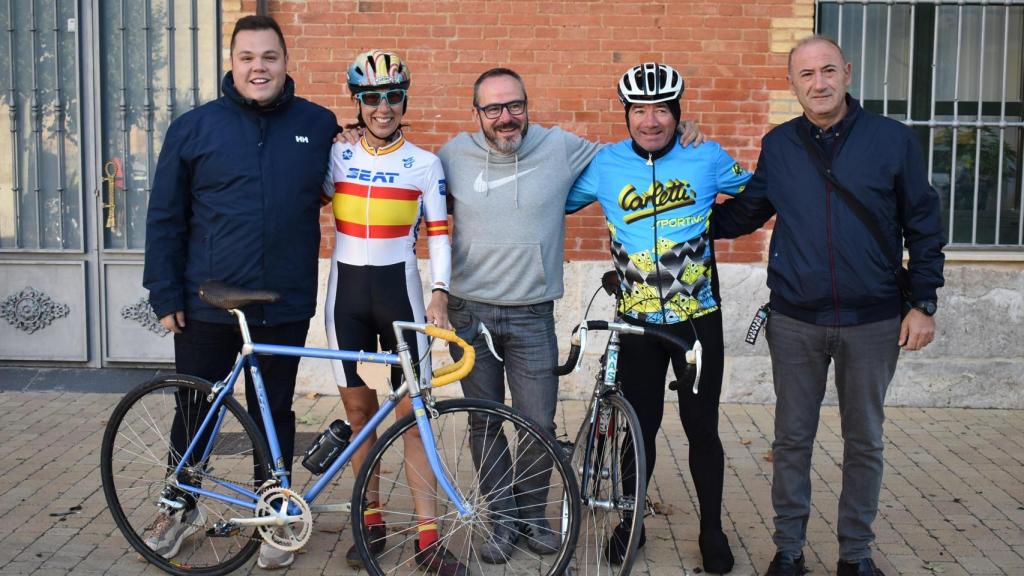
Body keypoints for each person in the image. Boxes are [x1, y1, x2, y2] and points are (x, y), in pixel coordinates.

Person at [437, 67, 703, 563]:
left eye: (514, 105)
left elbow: (632, 152)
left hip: (533, 313)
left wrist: (681, 133)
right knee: (483, 422)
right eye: (492, 108)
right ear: (476, 113)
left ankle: (534, 517)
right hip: (470, 312)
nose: (505, 117)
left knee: (536, 421)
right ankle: (500, 519)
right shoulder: (452, 155)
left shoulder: (560, 146)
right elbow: (416, 192)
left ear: (527, 104)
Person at [712, 35, 945, 576]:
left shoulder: (893, 141)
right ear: (792, 84)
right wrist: (678, 211)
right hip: (795, 321)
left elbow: (925, 226)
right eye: (806, 75)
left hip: (875, 320)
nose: (819, 83)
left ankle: (855, 555)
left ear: (847, 72)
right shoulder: (780, 145)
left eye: (827, 71)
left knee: (865, 440)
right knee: (792, 440)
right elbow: (745, 212)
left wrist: (923, 302)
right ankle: (788, 551)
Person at [142, 15, 338, 570]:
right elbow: (165, 216)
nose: (259, 67)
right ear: (233, 63)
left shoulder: (318, 125)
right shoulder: (194, 127)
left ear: (285, 61)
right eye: (248, 57)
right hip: (206, 300)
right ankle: (177, 507)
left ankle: (274, 511)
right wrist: (164, 291)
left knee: (274, 412)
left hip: (284, 301)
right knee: (194, 410)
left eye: (269, 57)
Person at [565, 62, 749, 574]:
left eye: (662, 110)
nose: (651, 121)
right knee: (636, 429)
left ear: (678, 113)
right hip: (636, 326)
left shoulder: (705, 156)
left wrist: (715, 230)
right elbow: (551, 201)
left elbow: (758, 194)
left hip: (696, 321)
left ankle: (712, 528)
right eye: (640, 110)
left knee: (701, 427)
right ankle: (631, 522)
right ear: (626, 115)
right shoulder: (606, 165)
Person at [322, 49, 466, 576]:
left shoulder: (426, 163)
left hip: (401, 294)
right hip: (346, 296)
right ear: (357, 102)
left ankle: (428, 538)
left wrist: (440, 292)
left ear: (405, 100)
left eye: (393, 96)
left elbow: (439, 234)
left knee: (414, 418)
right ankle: (372, 519)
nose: (383, 107)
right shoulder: (333, 154)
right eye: (372, 97)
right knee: (359, 416)